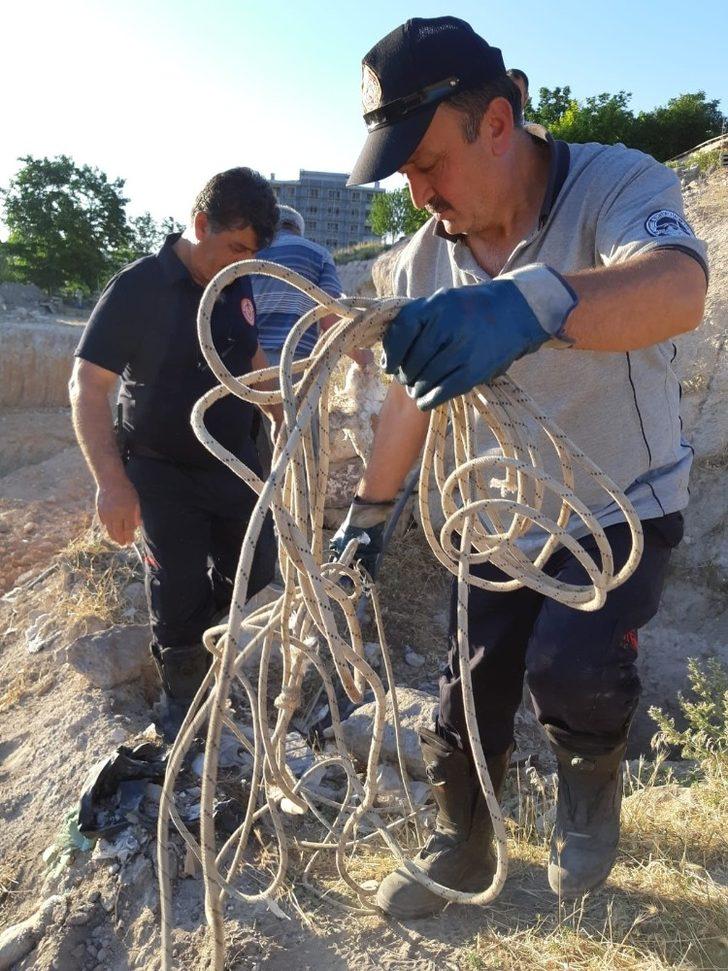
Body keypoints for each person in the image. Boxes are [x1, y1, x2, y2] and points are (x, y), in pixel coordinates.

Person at [332, 16, 708, 918]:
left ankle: (589, 784)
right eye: (403, 174)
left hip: (620, 501)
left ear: (496, 123)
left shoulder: (616, 183)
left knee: (572, 663)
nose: (418, 193)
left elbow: (677, 287)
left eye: (428, 163)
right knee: (463, 696)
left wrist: (536, 303)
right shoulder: (423, 264)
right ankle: (462, 842)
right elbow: (404, 401)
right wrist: (371, 517)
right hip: (496, 517)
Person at [69, 167, 282, 740]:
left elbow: (251, 354)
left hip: (236, 463)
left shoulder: (236, 282)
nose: (242, 262)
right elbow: (88, 387)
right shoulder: (139, 287)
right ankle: (183, 710)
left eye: (252, 253)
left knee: (259, 568)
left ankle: (206, 645)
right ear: (199, 223)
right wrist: (112, 485)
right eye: (234, 247)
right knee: (177, 592)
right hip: (161, 472)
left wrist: (282, 407)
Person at [253, 204, 370, 367]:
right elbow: (330, 319)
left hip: (251, 361)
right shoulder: (320, 255)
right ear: (298, 229)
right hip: (296, 361)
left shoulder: (251, 254)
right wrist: (361, 357)